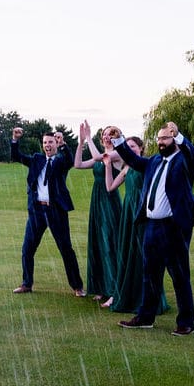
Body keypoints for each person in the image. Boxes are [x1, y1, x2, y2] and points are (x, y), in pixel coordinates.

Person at [110, 122, 194, 336]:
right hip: (152, 226)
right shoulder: (153, 161)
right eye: (159, 139)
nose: (161, 142)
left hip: (174, 227)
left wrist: (179, 136)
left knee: (179, 276)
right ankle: (145, 317)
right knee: (149, 275)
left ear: (174, 140)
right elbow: (133, 160)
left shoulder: (184, 162)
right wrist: (119, 140)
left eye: (166, 138)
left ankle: (186, 322)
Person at [10, 126, 87, 297]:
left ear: (55, 143)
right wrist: (15, 140)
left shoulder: (60, 161)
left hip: (56, 211)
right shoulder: (36, 159)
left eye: (50, 142)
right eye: (45, 142)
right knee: (27, 249)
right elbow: (16, 156)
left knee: (66, 248)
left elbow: (69, 161)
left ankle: (77, 286)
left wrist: (63, 144)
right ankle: (26, 284)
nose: (47, 145)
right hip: (37, 210)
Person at [108, 135, 169, 315]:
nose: (130, 149)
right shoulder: (127, 167)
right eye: (127, 147)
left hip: (142, 213)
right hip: (128, 212)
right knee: (127, 252)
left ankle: (147, 299)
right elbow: (110, 187)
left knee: (143, 254)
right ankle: (125, 295)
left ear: (141, 148)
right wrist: (106, 167)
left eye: (133, 146)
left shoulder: (146, 164)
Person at [74, 120, 122, 307]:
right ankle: (101, 287)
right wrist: (80, 142)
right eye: (103, 134)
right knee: (98, 243)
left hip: (110, 202)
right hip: (97, 201)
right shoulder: (100, 155)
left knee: (110, 243)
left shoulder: (117, 154)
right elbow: (77, 164)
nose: (106, 137)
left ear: (117, 136)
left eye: (110, 134)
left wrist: (88, 138)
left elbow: (101, 157)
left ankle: (114, 290)